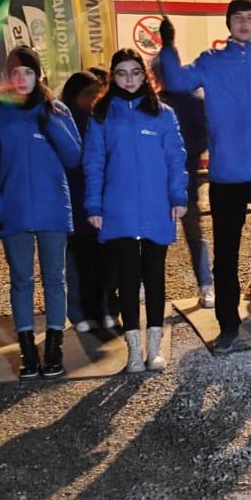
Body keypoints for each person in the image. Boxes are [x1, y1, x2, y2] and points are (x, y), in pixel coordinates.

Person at [158, 0, 251, 351]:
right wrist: (168, 46)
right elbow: (177, 81)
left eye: (250, 17)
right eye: (238, 17)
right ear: (228, 23)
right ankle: (228, 325)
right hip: (227, 175)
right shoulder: (211, 61)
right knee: (226, 256)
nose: (244, 22)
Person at [0, 46, 83, 378]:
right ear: (8, 77)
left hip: (52, 205)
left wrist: (50, 121)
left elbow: (74, 156)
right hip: (14, 208)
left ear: (39, 76)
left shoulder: (57, 110)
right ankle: (27, 350)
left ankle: (54, 347)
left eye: (28, 72)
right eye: (16, 73)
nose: (22, 79)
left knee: (55, 278)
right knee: (21, 279)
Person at [84, 49, 188, 373]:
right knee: (128, 280)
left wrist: (178, 196)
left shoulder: (163, 114)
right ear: (112, 77)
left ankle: (153, 349)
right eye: (121, 73)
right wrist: (94, 204)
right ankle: (133, 351)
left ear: (145, 76)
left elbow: (176, 158)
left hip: (158, 208)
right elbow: (93, 162)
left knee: (154, 278)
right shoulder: (102, 115)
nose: (129, 79)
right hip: (119, 208)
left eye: (135, 72)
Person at [155, 55, 215, 309]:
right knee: (190, 233)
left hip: (174, 178)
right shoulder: (161, 103)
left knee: (181, 234)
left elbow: (203, 138)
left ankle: (205, 284)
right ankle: (205, 285)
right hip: (176, 178)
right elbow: (203, 138)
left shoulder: (182, 103)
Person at [60, 71, 116, 334]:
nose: (94, 98)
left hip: (102, 201)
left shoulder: (102, 119)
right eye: (87, 94)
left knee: (105, 259)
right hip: (75, 200)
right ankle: (81, 311)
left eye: (97, 92)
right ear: (74, 96)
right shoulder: (65, 122)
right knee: (79, 261)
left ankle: (105, 309)